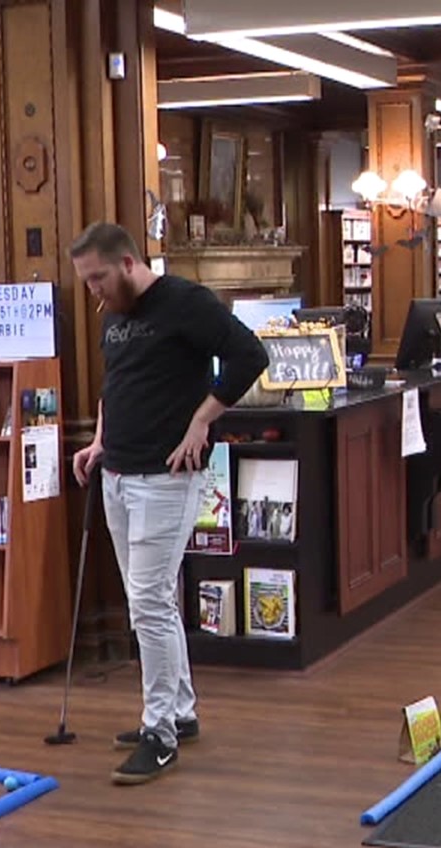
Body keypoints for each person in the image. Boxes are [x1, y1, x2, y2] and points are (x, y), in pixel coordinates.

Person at [68, 222, 269, 785]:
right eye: (86, 281)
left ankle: (159, 733)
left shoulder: (185, 302)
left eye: (99, 278)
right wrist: (101, 441)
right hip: (118, 471)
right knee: (149, 602)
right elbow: (115, 384)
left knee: (149, 603)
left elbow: (249, 356)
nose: (93, 291)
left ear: (128, 263)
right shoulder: (113, 317)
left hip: (167, 475)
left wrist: (202, 421)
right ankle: (179, 711)